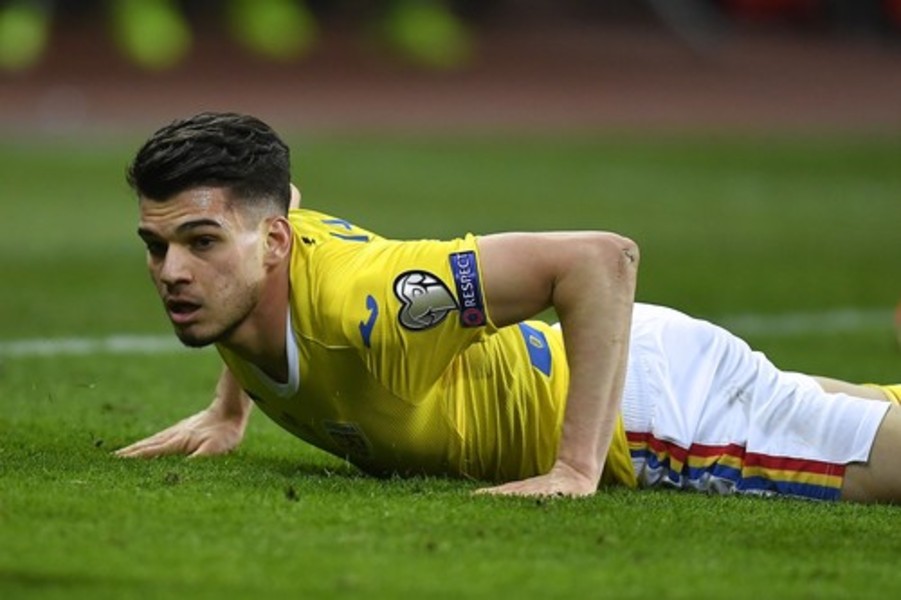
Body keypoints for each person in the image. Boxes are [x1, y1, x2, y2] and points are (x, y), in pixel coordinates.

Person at [116, 111, 901, 502]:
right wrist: (228, 411)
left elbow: (601, 258)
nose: (172, 273)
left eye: (200, 243)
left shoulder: (371, 301)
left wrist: (573, 469)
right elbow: (282, 199)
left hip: (656, 422)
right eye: (157, 246)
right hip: (635, 366)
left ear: (274, 243)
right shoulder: (249, 257)